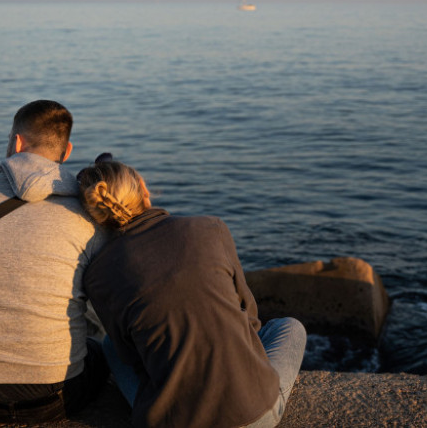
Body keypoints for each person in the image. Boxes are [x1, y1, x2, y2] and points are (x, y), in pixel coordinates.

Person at [77, 155, 307, 428]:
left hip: (170, 421)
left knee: (110, 346)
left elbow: (132, 357)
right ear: (143, 187)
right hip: (255, 416)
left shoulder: (97, 275)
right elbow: (251, 320)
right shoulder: (211, 229)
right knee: (289, 326)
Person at [0, 100, 109, 423]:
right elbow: (99, 307)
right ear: (67, 150)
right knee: (102, 351)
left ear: (16, 142)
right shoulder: (89, 217)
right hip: (55, 399)